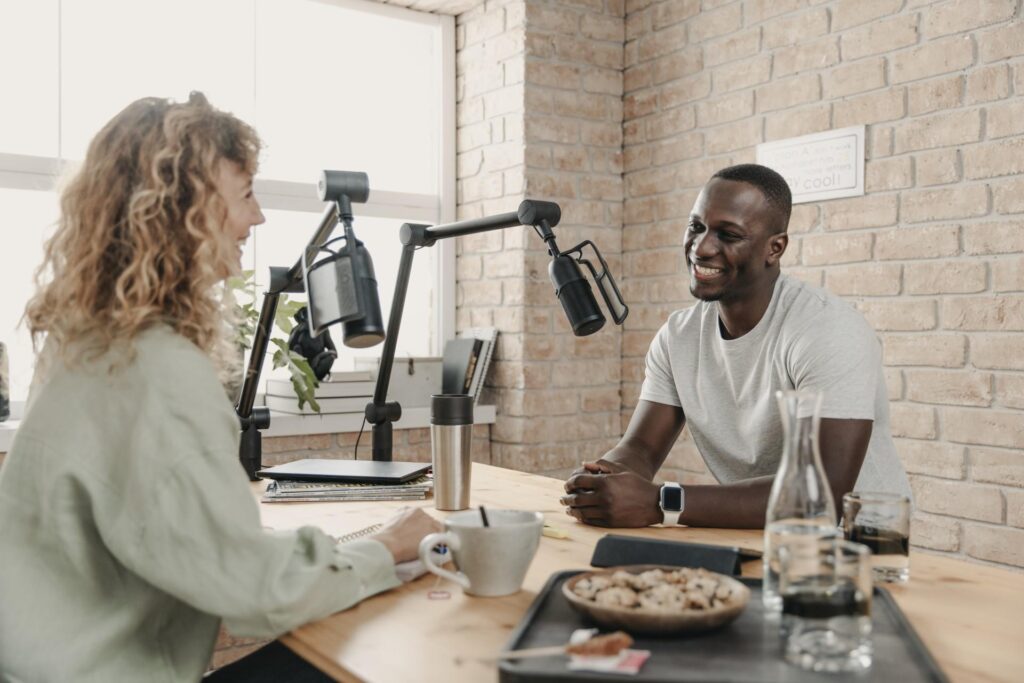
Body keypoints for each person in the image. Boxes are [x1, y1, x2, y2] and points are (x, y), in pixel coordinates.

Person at [0, 93, 440, 682]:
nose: (256, 219)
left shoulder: (90, 346)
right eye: (246, 194)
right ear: (185, 211)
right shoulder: (155, 370)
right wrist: (390, 545)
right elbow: (258, 593)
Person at [562, 163, 911, 529]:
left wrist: (661, 501)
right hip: (759, 535)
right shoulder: (678, 336)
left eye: (728, 235)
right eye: (696, 227)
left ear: (774, 248)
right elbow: (641, 450)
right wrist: (602, 478)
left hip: (862, 546)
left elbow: (821, 496)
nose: (701, 247)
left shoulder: (828, 330)